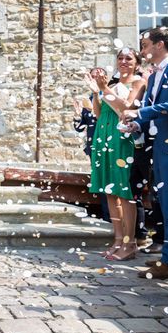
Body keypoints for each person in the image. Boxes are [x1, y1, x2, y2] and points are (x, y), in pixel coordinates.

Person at [123, 27, 168, 279]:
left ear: (159, 44)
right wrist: (136, 125)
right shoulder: (153, 77)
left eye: (145, 45)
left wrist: (139, 113)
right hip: (160, 142)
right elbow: (153, 108)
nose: (142, 50)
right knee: (165, 200)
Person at [88, 48, 145, 261]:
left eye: (128, 58)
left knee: (124, 191)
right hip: (104, 136)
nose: (123, 61)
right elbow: (99, 113)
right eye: (120, 58)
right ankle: (118, 239)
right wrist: (97, 92)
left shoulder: (138, 83)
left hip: (123, 140)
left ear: (137, 63)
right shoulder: (111, 85)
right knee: (110, 191)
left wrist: (103, 88)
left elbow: (127, 109)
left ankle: (131, 243)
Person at [73, 67, 109, 222]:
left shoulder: (109, 96)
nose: (94, 79)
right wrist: (77, 115)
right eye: (92, 77)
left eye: (98, 76)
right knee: (100, 181)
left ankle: (114, 219)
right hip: (94, 146)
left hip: (109, 144)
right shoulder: (88, 99)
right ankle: (107, 216)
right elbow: (80, 128)